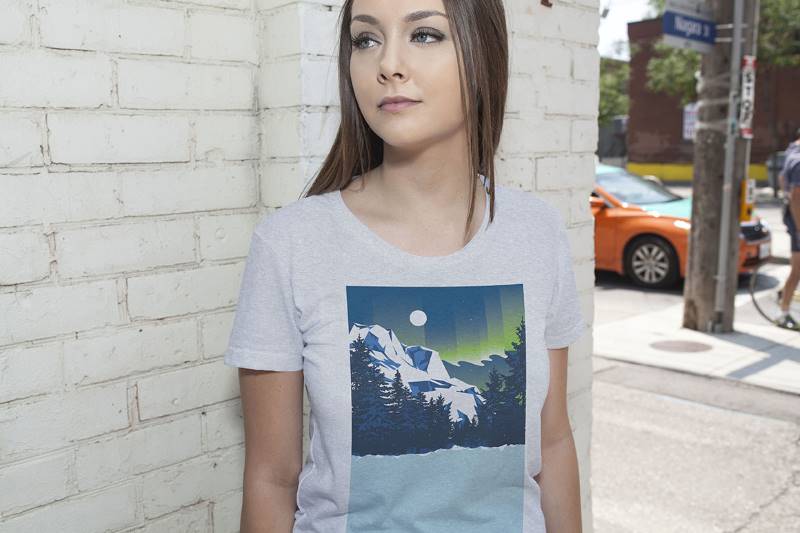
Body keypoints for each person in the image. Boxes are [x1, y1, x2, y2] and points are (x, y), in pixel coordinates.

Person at [224, 1, 587, 532]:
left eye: (424, 35)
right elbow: (271, 478)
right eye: (366, 40)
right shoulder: (291, 243)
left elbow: (553, 443)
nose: (388, 64)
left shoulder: (537, 232)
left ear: (483, 53)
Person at [778, 137, 800, 329]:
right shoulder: (798, 161)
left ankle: (784, 297)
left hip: (792, 219)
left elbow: (781, 179)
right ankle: (784, 312)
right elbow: (795, 197)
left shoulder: (791, 151)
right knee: (797, 269)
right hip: (798, 222)